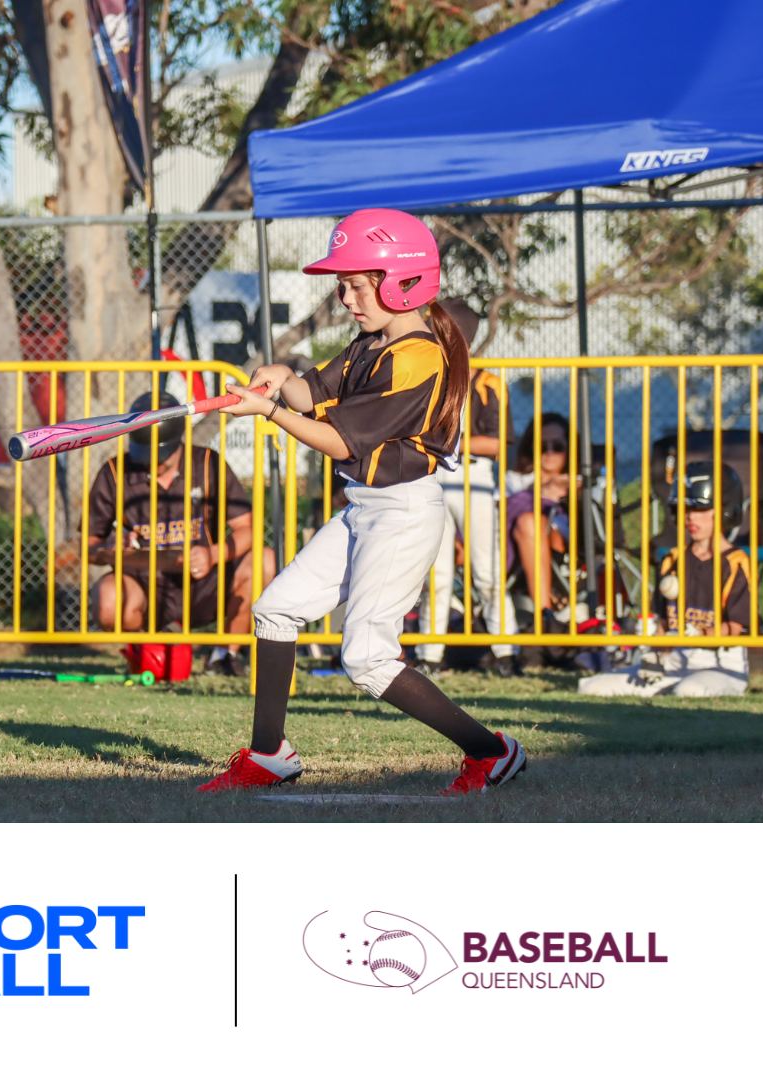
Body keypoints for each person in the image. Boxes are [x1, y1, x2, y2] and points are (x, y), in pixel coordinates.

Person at [197, 208, 527, 796]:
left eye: (355, 283)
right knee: (276, 611)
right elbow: (315, 393)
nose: (346, 296)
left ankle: (492, 753)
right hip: (367, 505)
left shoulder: (418, 355)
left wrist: (269, 412)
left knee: (368, 657)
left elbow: (339, 438)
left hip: (401, 512)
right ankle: (269, 755)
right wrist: (277, 379)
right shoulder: (374, 341)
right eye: (343, 284)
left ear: (402, 280)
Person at [85, 391, 275, 677]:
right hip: (144, 586)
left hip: (206, 582)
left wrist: (213, 554)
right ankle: (144, 654)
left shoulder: (208, 463)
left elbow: (248, 529)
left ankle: (224, 657)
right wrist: (110, 547)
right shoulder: (114, 471)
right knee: (107, 597)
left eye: (160, 456)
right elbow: (89, 547)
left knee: (265, 560)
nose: (152, 462)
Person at [578, 460, 750, 697]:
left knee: (688, 691)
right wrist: (652, 646)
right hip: (674, 661)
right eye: (685, 509)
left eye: (700, 509)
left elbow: (736, 628)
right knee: (591, 688)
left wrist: (699, 635)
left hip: (718, 663)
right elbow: (663, 626)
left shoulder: (736, 561)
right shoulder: (672, 559)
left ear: (726, 509)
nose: (691, 517)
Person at [415, 299, 520, 677]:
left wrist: (451, 441)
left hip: (473, 478)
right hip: (434, 476)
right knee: (437, 572)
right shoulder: (428, 376)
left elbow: (499, 442)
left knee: (487, 569)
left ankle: (506, 652)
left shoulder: (488, 382)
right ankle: (429, 655)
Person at [504, 413, 574, 620]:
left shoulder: (579, 481)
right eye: (543, 445)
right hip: (511, 538)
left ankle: (544, 616)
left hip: (560, 540)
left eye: (558, 446)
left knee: (530, 522)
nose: (550, 452)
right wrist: (540, 492)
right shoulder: (515, 479)